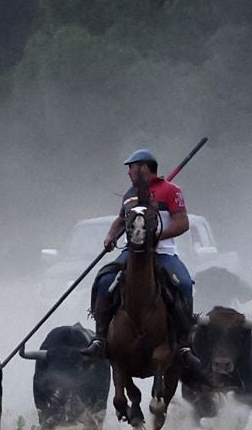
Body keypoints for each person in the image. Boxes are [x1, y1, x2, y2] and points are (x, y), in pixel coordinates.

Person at [83, 148, 202, 372]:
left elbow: (182, 223)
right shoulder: (130, 193)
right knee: (104, 279)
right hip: (133, 251)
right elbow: (120, 220)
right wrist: (110, 236)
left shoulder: (171, 191)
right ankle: (100, 338)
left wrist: (155, 236)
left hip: (163, 253)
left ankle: (184, 343)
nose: (128, 172)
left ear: (144, 168)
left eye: (131, 167)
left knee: (184, 284)